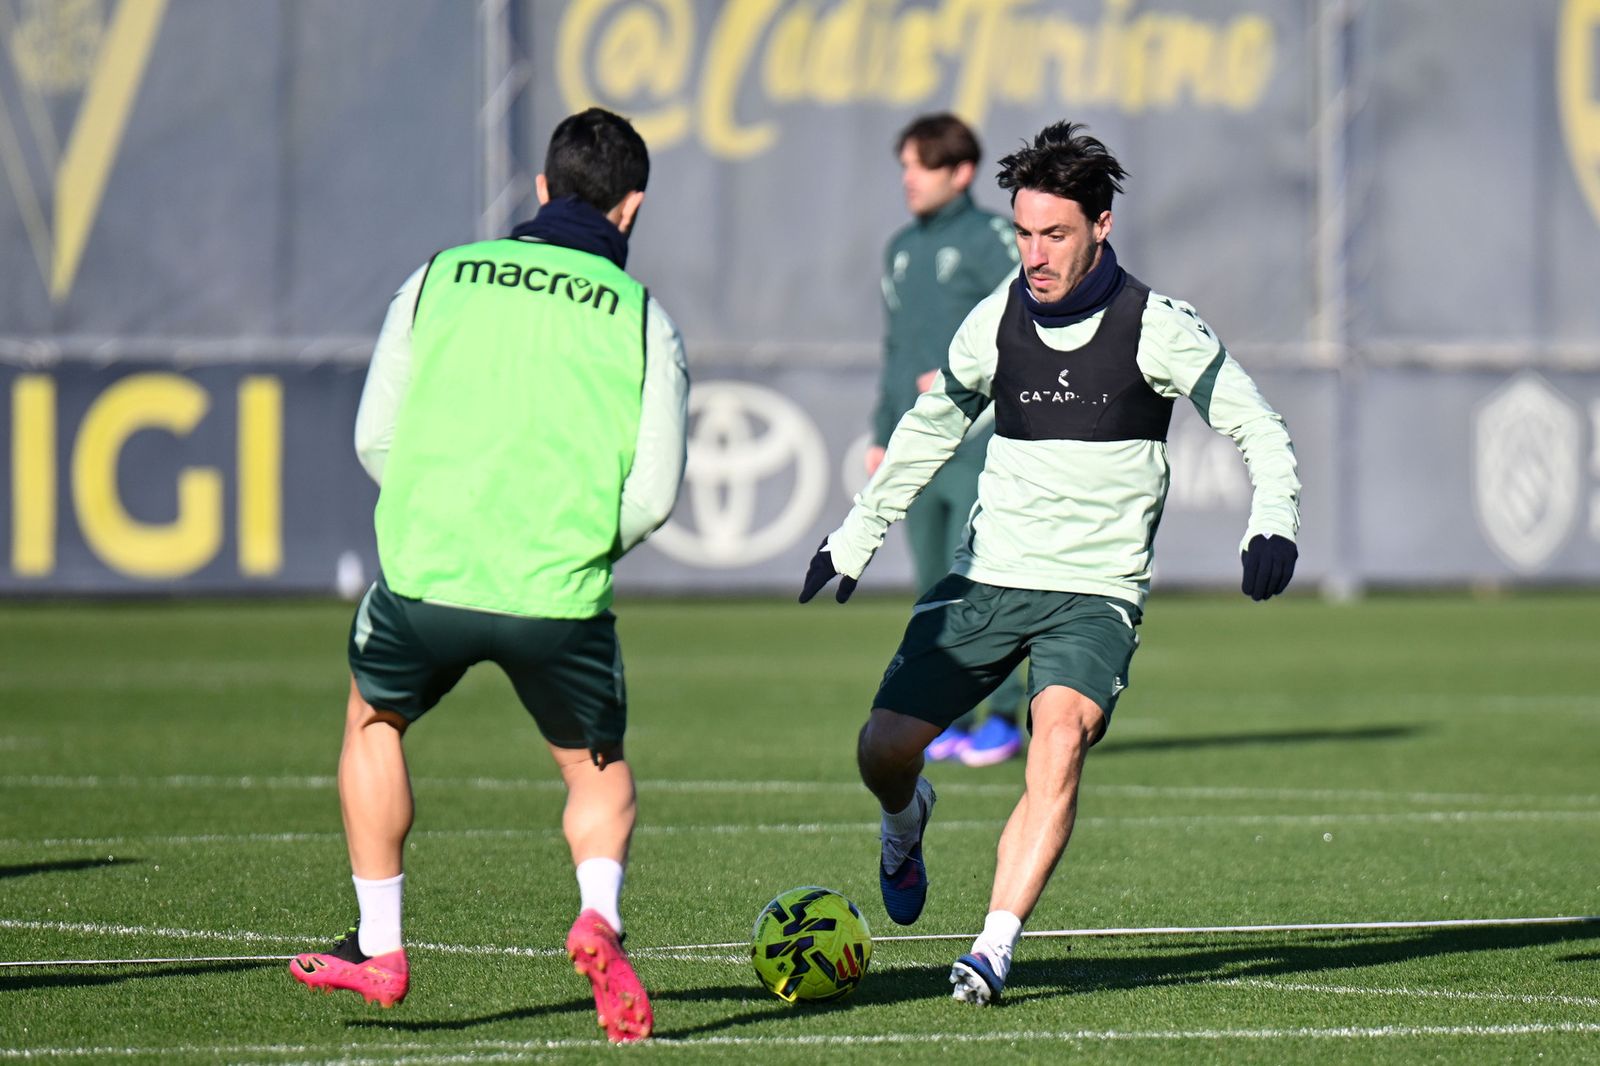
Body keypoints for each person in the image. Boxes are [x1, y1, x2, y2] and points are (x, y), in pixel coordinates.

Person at [800, 121, 1300, 1004]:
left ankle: (993, 947)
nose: (1034, 254)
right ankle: (905, 818)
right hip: (989, 577)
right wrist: (856, 535)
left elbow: (1257, 424)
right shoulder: (995, 318)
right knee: (883, 749)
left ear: (1101, 226)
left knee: (1058, 738)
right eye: (1025, 233)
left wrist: (1274, 519)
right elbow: (931, 428)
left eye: (1055, 234)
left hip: (1094, 595)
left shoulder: (1158, 326)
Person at [289, 108, 688, 1044]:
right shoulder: (644, 319)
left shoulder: (439, 276)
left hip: (428, 575)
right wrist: (569, 542)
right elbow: (653, 494)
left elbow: (375, 437)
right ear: (631, 209)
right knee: (595, 773)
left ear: (541, 189)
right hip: (557, 590)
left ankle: (381, 946)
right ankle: (599, 918)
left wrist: (444, 515)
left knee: (373, 722)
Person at [872, 113, 1027, 767]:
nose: (909, 178)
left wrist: (968, 373)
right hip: (921, 446)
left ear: (961, 172)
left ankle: (1005, 715)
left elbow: (1029, 322)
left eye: (923, 165)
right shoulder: (901, 248)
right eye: (905, 166)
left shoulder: (995, 239)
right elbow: (895, 350)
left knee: (987, 583)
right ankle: (950, 716)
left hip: (982, 441)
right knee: (934, 586)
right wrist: (883, 432)